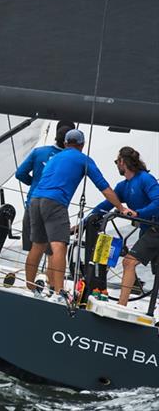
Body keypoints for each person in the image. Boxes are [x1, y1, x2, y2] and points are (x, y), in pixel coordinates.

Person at [24, 129, 129, 301]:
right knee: (59, 246)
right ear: (82, 145)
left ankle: (31, 289)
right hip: (55, 202)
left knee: (38, 245)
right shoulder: (83, 159)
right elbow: (103, 187)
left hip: (35, 200)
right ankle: (59, 294)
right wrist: (121, 207)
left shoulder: (55, 157)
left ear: (65, 143)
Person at [89, 147, 159, 303]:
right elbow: (105, 205)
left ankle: (121, 305)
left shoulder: (145, 179)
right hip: (148, 230)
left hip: (156, 229)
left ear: (122, 162)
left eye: (116, 162)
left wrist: (138, 213)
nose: (116, 165)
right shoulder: (123, 186)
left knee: (129, 262)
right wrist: (84, 222)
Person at [15, 121, 75, 253]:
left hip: (33, 204)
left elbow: (20, 173)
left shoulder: (38, 152)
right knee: (53, 252)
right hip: (54, 208)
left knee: (33, 250)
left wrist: (34, 183)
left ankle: (29, 274)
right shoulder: (73, 159)